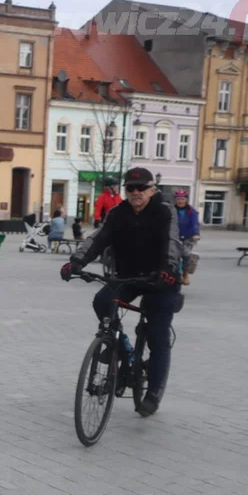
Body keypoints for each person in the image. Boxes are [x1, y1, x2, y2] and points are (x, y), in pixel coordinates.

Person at [60, 167, 181, 417]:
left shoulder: (164, 210)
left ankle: (153, 392)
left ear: (152, 190)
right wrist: (76, 262)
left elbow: (172, 241)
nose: (135, 193)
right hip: (128, 276)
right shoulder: (118, 213)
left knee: (157, 334)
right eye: (130, 188)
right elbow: (98, 238)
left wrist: (168, 268)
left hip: (160, 278)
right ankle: (120, 347)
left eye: (141, 188)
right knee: (102, 301)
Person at [173, 189, 200, 285]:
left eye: (182, 199)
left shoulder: (192, 211)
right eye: (178, 199)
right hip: (174, 237)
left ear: (186, 199)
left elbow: (195, 224)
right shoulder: (172, 210)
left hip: (188, 237)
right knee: (172, 256)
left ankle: (185, 275)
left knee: (186, 256)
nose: (180, 201)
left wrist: (196, 234)